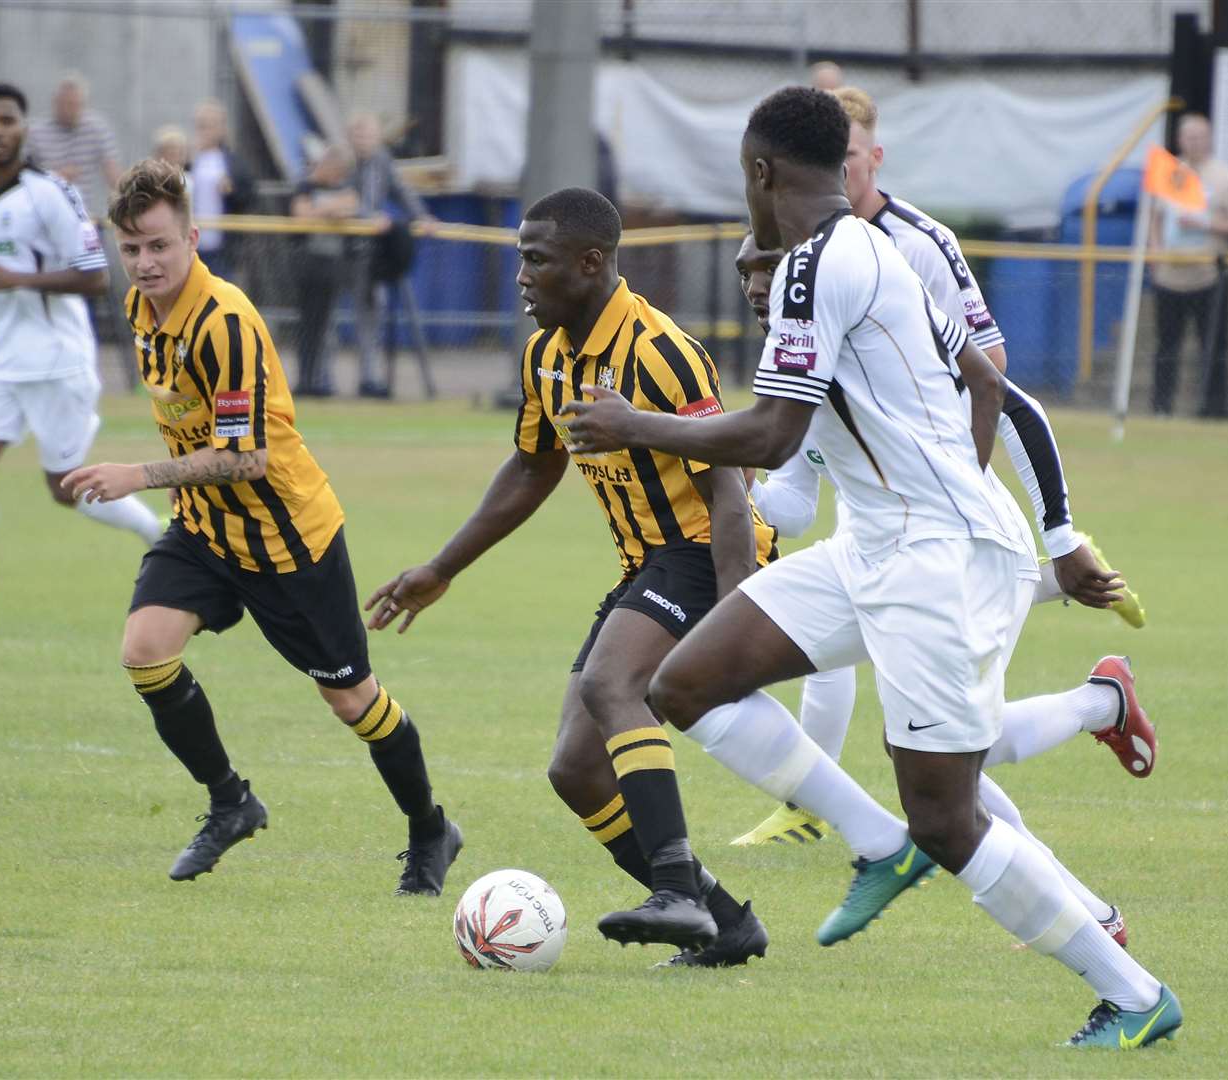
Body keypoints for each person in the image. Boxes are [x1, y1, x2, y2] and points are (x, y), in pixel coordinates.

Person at [560, 87, 1180, 1049]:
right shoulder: (869, 253)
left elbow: (771, 436)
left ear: (762, 174)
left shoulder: (821, 266)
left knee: (948, 812)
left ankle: (1135, 994)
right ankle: (876, 841)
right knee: (682, 682)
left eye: (743, 179)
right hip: (879, 546)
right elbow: (979, 378)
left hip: (934, 561)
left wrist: (634, 425)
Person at [730, 85, 1153, 847]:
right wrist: (747, 502)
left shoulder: (910, 245)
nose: (842, 176)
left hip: (941, 517)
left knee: (944, 747)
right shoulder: (804, 265)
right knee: (885, 713)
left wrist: (1046, 525)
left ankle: (1089, 724)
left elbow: (995, 379)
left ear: (868, 158)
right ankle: (825, 811)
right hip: (876, 519)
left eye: (850, 160)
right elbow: (793, 464)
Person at [365, 187, 773, 966]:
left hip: (707, 553)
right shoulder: (545, 356)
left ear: (590, 264)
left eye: (535, 259)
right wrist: (440, 569)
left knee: (608, 685)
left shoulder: (660, 351)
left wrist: (736, 615)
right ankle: (725, 925)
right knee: (577, 770)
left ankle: (677, 890)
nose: (521, 275)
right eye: (520, 257)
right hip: (647, 562)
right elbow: (532, 467)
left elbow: (727, 484)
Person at [60, 158, 462, 891]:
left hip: (289, 540)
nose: (145, 263)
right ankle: (230, 802)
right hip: (207, 531)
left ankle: (431, 830)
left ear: (194, 236)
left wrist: (135, 475)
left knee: (352, 701)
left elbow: (245, 459)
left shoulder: (225, 323)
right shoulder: (141, 310)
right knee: (145, 651)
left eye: (159, 246)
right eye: (132, 250)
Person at [0, 82, 162, 632]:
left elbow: (96, 277)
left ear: (24, 129)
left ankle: (157, 535)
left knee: (65, 488)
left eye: (7, 121)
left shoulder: (52, 193)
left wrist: (18, 278)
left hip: (56, 360)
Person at [1147, 114, 1228, 418]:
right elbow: (1156, 218)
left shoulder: (1224, 177)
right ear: (1179, 140)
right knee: (1166, 346)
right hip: (1170, 277)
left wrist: (1206, 222)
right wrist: (1156, 254)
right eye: (1188, 136)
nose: (1194, 142)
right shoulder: (1168, 172)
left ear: (1210, 138)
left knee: (1213, 347)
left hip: (1207, 277)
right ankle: (1161, 408)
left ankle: (1213, 410)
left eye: (1200, 136)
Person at [343, 113, 438, 399]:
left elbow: (401, 191)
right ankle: (319, 379)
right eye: (359, 135)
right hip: (341, 248)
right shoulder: (343, 162)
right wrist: (365, 216)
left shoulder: (382, 161)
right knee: (328, 317)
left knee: (374, 309)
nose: (364, 141)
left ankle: (369, 378)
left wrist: (422, 216)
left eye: (369, 135)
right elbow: (338, 199)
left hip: (372, 251)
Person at [290, 146, 359, 397]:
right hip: (308, 264)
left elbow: (351, 207)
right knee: (307, 324)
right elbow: (301, 216)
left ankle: (320, 379)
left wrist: (322, 209)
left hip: (333, 265)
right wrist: (331, 210)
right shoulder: (305, 187)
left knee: (325, 325)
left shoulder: (345, 188)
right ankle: (305, 379)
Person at [26, 74, 121, 219]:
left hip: (86, 213)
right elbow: (25, 176)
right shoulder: (36, 132)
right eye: (67, 105)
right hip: (46, 213)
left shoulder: (96, 128)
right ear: (55, 103)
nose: (71, 110)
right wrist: (55, 178)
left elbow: (112, 172)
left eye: (76, 105)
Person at [189, 101, 255, 281]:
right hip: (191, 244)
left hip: (223, 246)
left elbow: (248, 197)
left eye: (211, 125)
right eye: (202, 125)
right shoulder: (190, 160)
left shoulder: (232, 162)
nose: (205, 131)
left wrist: (231, 190)